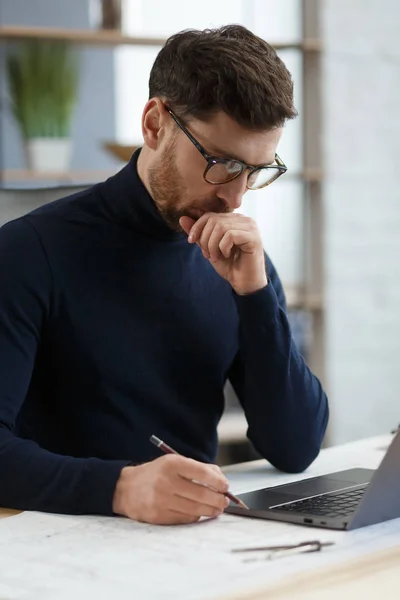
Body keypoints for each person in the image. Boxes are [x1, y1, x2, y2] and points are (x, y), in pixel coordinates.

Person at [0, 25, 328, 525]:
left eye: (256, 170)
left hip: (197, 544)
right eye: (222, 163)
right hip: (62, 549)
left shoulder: (238, 262)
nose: (235, 197)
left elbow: (296, 447)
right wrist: (121, 488)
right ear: (155, 124)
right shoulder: (28, 252)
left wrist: (257, 297)